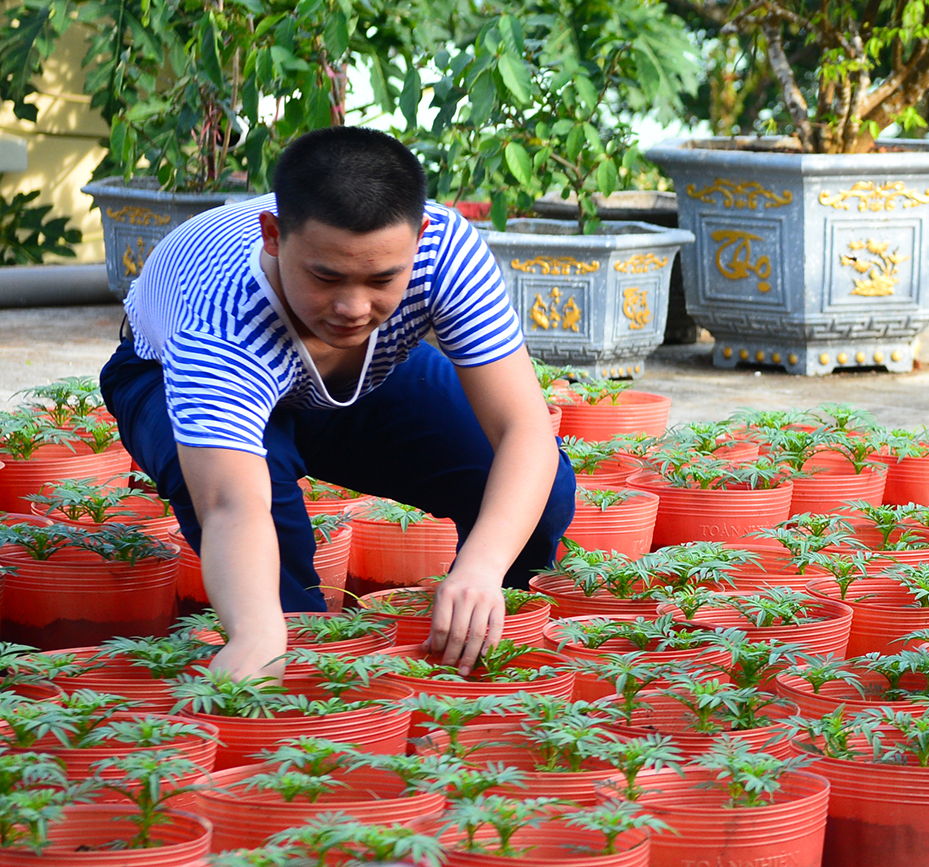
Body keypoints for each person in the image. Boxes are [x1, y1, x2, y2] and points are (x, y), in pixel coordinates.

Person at [100, 127, 575, 680]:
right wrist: (258, 630)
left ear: (419, 237)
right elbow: (233, 503)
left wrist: (482, 569)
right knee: (275, 574)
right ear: (273, 235)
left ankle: (474, 642)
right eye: (326, 276)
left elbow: (523, 428)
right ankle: (296, 681)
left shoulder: (446, 250)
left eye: (381, 279)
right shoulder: (220, 320)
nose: (352, 306)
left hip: (353, 372)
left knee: (533, 493)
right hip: (164, 372)